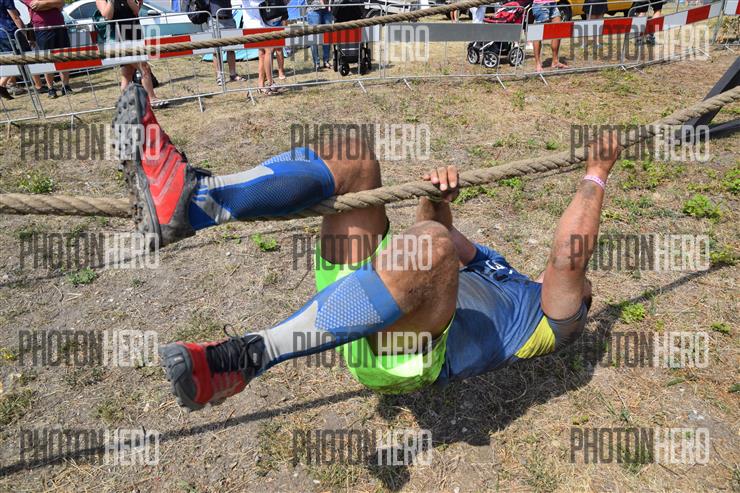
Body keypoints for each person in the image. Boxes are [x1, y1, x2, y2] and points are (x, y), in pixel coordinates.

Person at [112, 84, 621, 409]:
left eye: (581, 292)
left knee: (431, 248)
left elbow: (568, 257)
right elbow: (438, 233)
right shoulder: (501, 270)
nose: (578, 285)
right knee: (354, 158)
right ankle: (194, 200)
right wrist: (438, 200)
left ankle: (247, 356)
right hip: (369, 293)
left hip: (400, 354)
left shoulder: (554, 323)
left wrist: (596, 174)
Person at [95, 0, 167, 107]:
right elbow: (107, 16)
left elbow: (136, 11)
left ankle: (124, 102)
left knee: (127, 72)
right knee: (144, 67)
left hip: (134, 33)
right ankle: (152, 98)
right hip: (119, 37)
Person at [21, 0, 73, 98]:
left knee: (64, 57)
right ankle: (51, 89)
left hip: (60, 26)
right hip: (42, 29)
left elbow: (61, 2)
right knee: (47, 60)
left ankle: (66, 86)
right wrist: (54, 4)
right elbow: (35, 6)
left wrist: (43, 4)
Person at [242, 0, 281, 94]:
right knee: (269, 49)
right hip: (252, 25)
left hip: (260, 23)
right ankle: (270, 82)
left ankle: (261, 85)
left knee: (262, 53)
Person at [209, 0, 245, 85]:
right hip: (214, 19)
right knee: (216, 50)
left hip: (229, 18)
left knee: (231, 48)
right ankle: (219, 76)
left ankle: (233, 74)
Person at [0, 0, 29, 99]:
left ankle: (9, 85)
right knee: (19, 59)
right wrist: (27, 35)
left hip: (2, 33)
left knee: (8, 61)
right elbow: (16, 17)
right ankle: (2, 84)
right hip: (10, 32)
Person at [531, 0, 568, 72]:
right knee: (538, 34)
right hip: (540, 5)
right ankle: (538, 64)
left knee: (558, 30)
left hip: (553, 3)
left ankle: (555, 61)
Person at [306, 0, 332, 70]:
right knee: (314, 37)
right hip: (314, 8)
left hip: (327, 9)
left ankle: (326, 61)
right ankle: (316, 63)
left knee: (327, 36)